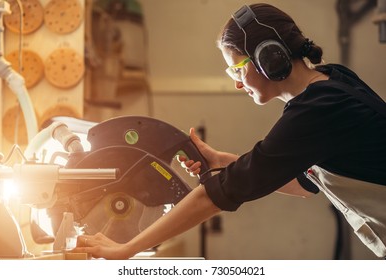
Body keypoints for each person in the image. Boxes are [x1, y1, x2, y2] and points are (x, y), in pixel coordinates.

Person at [73, 3, 386, 259]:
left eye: (237, 68)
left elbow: (220, 194)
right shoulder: (332, 82)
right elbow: (306, 184)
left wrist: (126, 248)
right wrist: (225, 160)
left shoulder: (316, 110)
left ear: (269, 57)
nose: (237, 83)